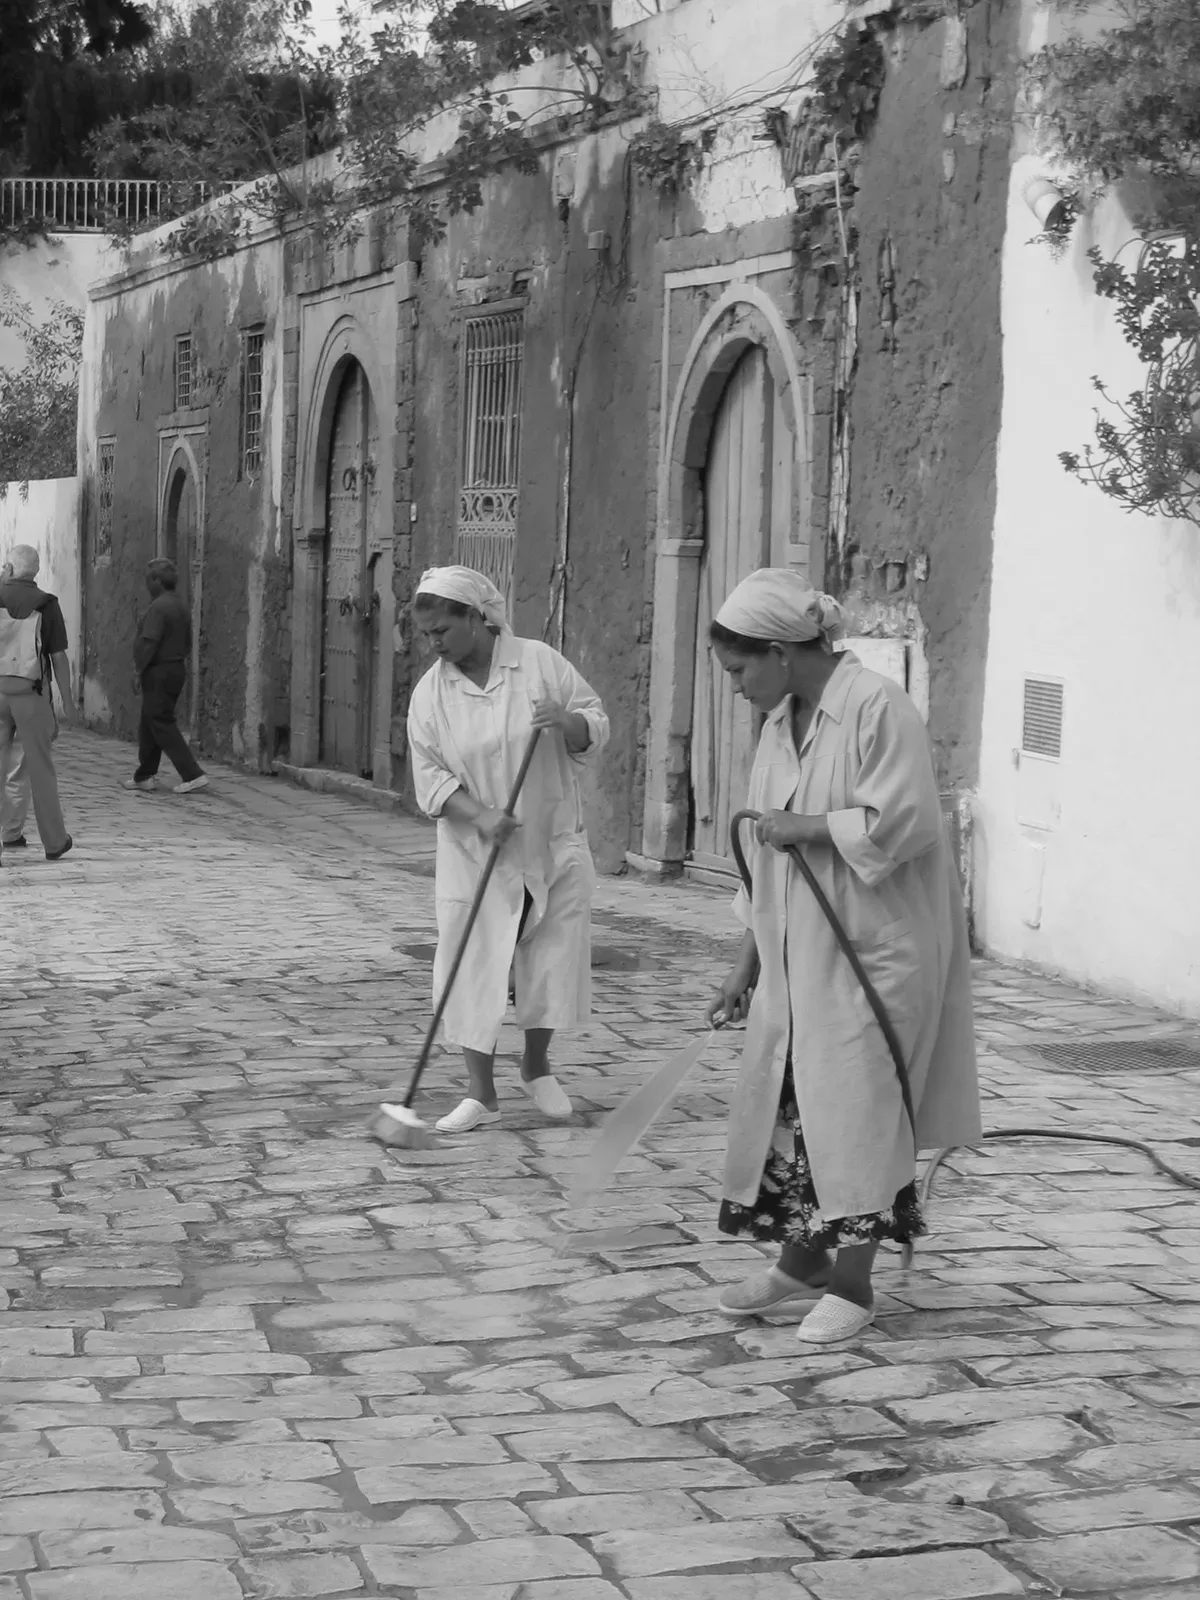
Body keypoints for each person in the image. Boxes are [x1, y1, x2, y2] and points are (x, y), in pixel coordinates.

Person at [704, 568, 980, 1345]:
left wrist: (811, 826)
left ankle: (854, 1286)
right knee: (796, 1111)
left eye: (738, 670)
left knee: (858, 1114)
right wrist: (744, 965)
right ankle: (803, 1263)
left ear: (780, 652)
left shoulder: (876, 708)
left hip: (874, 953)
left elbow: (908, 822)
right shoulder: (779, 722)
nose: (734, 689)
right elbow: (767, 863)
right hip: (798, 959)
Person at [406, 565, 610, 1134]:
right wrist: (480, 815)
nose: (435, 643)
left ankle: (537, 1065)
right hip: (475, 851)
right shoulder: (432, 693)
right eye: (427, 634)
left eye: (443, 629)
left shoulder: (539, 663)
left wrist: (565, 721)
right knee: (474, 960)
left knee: (548, 956)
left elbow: (596, 724)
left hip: (548, 839)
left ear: (477, 618)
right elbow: (430, 775)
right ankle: (480, 1093)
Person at [0, 544, 75, 865]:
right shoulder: (47, 604)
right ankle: (54, 842)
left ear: (9, 567)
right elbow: (58, 657)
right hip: (31, 695)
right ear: (36, 571)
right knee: (41, 770)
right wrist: (68, 702)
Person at [123, 558, 208, 795]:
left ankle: (192, 773)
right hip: (174, 668)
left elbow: (149, 642)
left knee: (160, 721)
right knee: (149, 721)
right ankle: (144, 775)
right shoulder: (180, 606)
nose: (147, 584)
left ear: (157, 581)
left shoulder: (159, 608)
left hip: (159, 670)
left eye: (149, 580)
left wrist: (139, 671)